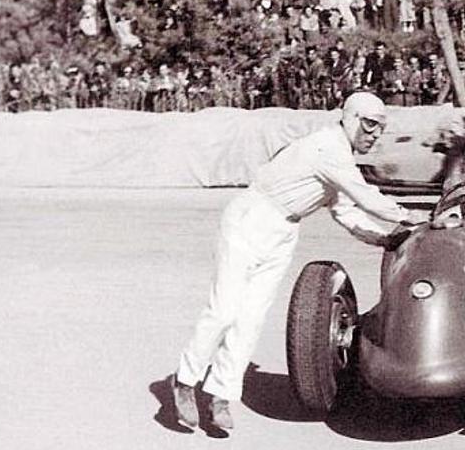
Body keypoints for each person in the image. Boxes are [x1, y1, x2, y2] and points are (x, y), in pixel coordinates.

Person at [172, 92, 424, 430]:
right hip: (252, 218)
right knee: (224, 310)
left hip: (284, 230)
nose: (375, 133)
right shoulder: (328, 148)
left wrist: (383, 238)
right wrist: (413, 218)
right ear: (349, 118)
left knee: (250, 319)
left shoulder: (338, 158)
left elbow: (346, 212)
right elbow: (365, 196)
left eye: (380, 127)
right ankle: (185, 382)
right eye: (369, 124)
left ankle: (220, 393)